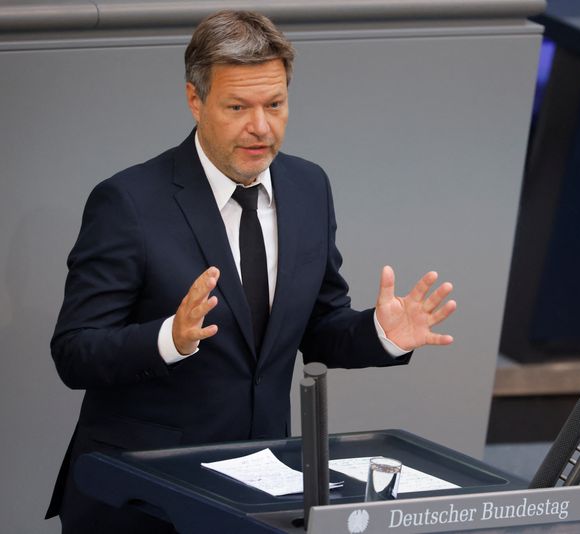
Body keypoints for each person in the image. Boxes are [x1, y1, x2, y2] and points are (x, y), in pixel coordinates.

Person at [45, 10, 456, 533]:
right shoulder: (128, 202)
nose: (261, 127)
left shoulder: (309, 187)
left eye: (275, 105)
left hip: (258, 493)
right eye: (238, 106)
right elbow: (74, 353)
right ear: (196, 101)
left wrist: (381, 333)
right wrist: (169, 338)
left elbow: (320, 326)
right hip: (141, 498)